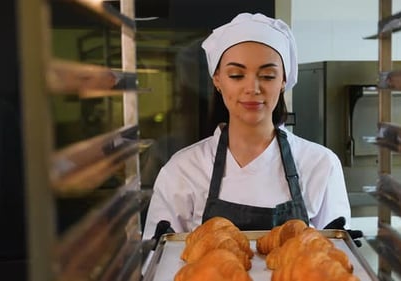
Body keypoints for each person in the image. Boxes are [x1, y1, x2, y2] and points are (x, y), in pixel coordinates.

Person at [143, 12, 353, 239]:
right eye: (236, 75)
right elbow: (159, 261)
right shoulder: (183, 170)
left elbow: (334, 259)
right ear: (217, 80)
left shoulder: (321, 164)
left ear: (283, 80)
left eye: (267, 76)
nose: (252, 88)